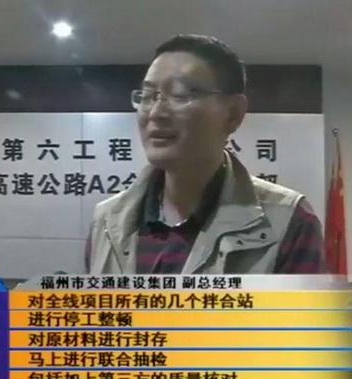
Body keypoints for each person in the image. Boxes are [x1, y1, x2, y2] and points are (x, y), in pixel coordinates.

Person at [85, 34, 325, 274]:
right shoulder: (106, 222)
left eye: (179, 95)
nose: (156, 113)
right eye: (148, 96)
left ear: (233, 114)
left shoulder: (288, 222)